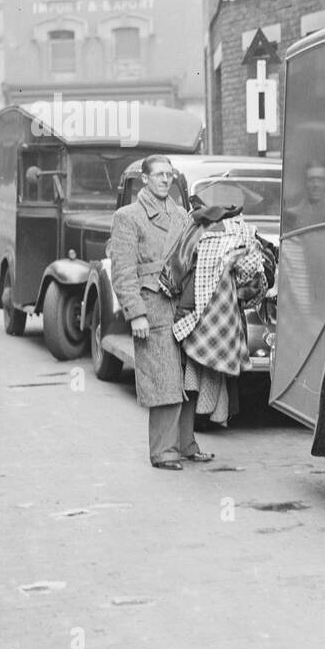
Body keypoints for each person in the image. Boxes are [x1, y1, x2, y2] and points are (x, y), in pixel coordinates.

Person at [108, 155, 214, 470]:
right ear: (145, 179)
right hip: (152, 306)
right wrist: (135, 313)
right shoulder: (129, 216)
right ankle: (163, 451)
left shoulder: (183, 215)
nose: (165, 180)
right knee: (163, 378)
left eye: (169, 175)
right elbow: (122, 270)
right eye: (159, 175)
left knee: (187, 375)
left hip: (183, 306)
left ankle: (185, 443)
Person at [283, 162, 325, 230]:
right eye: (311, 180)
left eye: (321, 180)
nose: (316, 184)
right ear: (305, 183)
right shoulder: (290, 216)